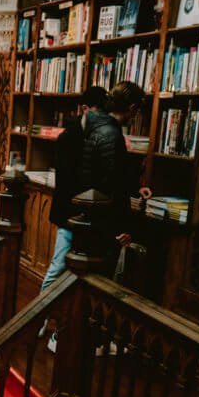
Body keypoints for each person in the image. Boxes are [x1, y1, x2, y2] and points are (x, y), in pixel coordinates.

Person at [40, 85, 107, 291]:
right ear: (85, 109)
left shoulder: (99, 135)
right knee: (58, 266)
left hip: (90, 215)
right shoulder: (69, 137)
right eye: (99, 112)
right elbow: (67, 181)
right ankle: (37, 321)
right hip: (71, 214)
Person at [78, 80, 147, 276]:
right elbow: (111, 185)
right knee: (100, 279)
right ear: (132, 108)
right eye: (136, 113)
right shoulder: (112, 134)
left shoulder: (95, 127)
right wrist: (122, 229)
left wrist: (134, 183)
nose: (135, 117)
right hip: (106, 224)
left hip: (91, 215)